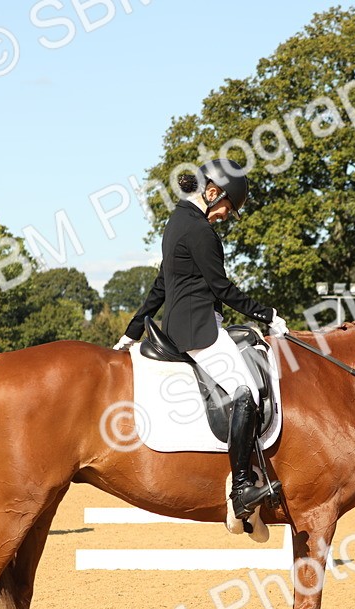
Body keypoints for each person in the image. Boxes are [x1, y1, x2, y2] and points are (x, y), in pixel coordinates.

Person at [113, 159, 290, 521]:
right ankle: (241, 488)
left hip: (184, 324)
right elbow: (222, 289)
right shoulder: (200, 231)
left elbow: (163, 283)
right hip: (198, 329)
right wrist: (267, 314)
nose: (226, 215)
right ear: (213, 192)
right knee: (247, 392)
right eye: (227, 207)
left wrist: (131, 331)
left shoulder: (177, 221)